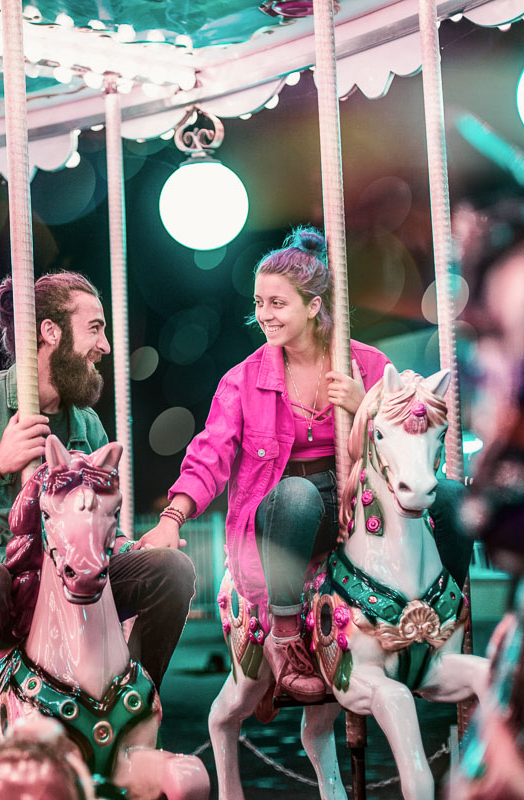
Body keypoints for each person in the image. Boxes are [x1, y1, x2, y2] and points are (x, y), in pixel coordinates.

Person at [138, 227, 470, 701]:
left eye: (277, 303)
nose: (263, 315)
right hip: (287, 516)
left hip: (360, 501)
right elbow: (209, 453)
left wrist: (363, 405)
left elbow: (411, 427)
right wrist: (173, 517)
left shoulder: (369, 365)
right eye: (259, 303)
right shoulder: (244, 380)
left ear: (313, 306)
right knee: (298, 496)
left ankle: (442, 614)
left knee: (455, 496)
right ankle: (286, 634)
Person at [0, 271, 196, 774]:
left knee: (172, 570)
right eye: (95, 329)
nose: (103, 345)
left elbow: (99, 523)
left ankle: (134, 705)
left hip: (66, 577)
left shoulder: (86, 424)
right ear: (51, 332)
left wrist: (124, 545)